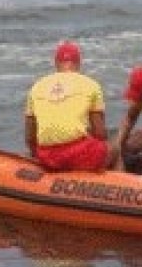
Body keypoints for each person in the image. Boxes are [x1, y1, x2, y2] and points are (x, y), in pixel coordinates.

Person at [24, 40, 109, 171]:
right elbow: (100, 134)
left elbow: (30, 138)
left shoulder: (36, 87)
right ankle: (119, 186)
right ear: (79, 63)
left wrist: (38, 156)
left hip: (47, 157)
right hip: (77, 155)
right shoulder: (91, 85)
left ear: (56, 63)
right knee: (114, 149)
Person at [108, 64, 142, 172]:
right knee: (131, 141)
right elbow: (130, 118)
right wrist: (119, 144)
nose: (137, 99)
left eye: (140, 95)